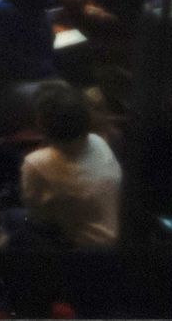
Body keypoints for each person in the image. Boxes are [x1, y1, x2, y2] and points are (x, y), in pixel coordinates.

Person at [18, 82, 120, 248]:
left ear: (40, 123)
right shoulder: (99, 141)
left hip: (87, 248)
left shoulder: (35, 163)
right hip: (121, 237)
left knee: (13, 218)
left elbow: (38, 216)